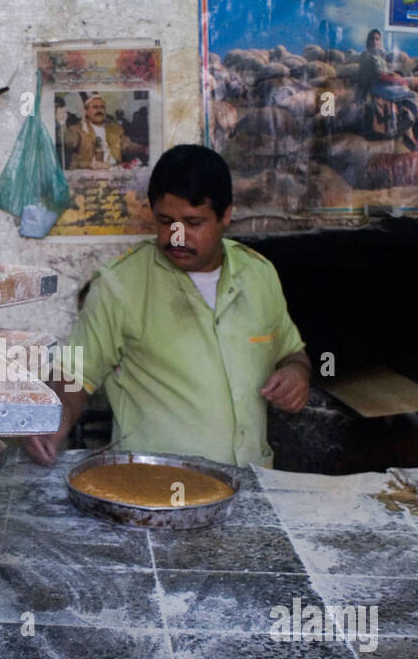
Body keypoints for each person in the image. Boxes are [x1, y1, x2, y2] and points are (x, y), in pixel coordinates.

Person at [24, 145, 310, 469]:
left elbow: (292, 351)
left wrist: (297, 373)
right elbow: (74, 374)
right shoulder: (120, 286)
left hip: (250, 489)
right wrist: (53, 418)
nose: (176, 236)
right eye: (165, 221)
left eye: (193, 222)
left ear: (226, 214)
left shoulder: (259, 275)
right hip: (153, 494)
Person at [356, 29, 418, 147]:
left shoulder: (379, 56)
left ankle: (403, 124)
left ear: (380, 41)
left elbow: (385, 72)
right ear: (368, 41)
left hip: (383, 84)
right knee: (413, 95)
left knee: (405, 91)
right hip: (377, 85)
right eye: (372, 39)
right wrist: (396, 80)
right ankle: (403, 124)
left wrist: (395, 78)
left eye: (377, 39)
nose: (375, 41)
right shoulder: (367, 56)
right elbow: (376, 75)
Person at [62, 93, 148, 170]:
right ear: (87, 112)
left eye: (102, 107)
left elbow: (127, 145)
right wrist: (89, 164)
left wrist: (144, 149)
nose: (99, 110)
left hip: (115, 170)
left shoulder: (115, 129)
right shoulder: (76, 129)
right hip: (90, 172)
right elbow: (68, 150)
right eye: (95, 107)